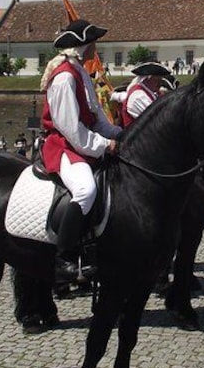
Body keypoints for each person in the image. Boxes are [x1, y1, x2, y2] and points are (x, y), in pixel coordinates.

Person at [40, 18, 122, 281]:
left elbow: (96, 118)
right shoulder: (64, 77)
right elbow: (69, 127)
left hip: (81, 142)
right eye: (93, 41)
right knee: (86, 190)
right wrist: (102, 145)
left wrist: (122, 135)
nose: (95, 46)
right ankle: (63, 259)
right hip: (64, 145)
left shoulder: (82, 73)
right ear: (82, 45)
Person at [120, 62, 171, 127]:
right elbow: (157, 120)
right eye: (156, 80)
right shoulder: (138, 96)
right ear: (147, 79)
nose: (160, 83)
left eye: (160, 80)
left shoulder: (150, 93)